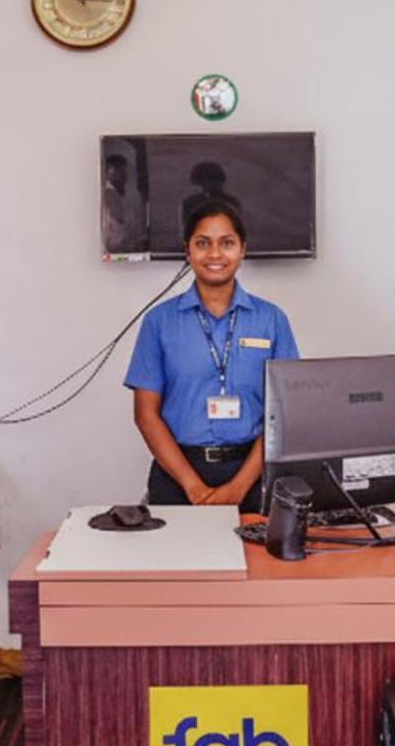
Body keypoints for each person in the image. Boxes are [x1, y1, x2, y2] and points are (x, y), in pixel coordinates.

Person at [123, 197, 297, 513]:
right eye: (203, 243)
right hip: (177, 476)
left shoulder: (272, 320)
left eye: (227, 243)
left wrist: (238, 488)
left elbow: (286, 413)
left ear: (242, 250)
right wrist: (193, 487)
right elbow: (145, 414)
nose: (215, 254)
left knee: (256, 549)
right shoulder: (158, 322)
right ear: (188, 251)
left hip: (254, 475)